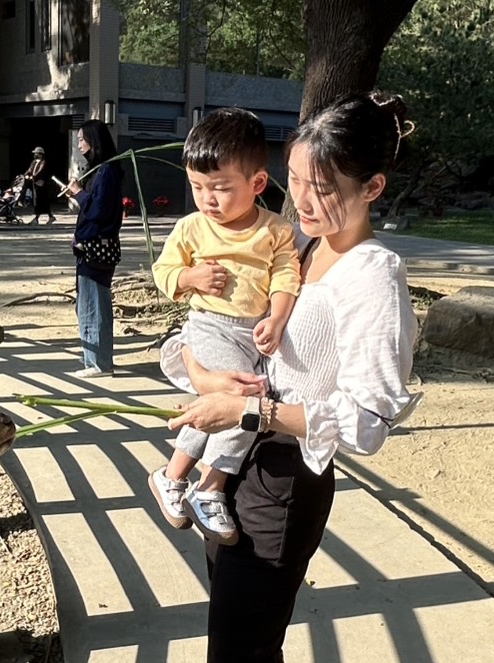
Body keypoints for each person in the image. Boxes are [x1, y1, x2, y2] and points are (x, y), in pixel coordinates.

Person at [164, 91, 418, 661]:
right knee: (237, 633)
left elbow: (368, 422)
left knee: (240, 647)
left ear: (372, 188)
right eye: (294, 178)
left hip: (282, 476)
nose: (300, 198)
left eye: (321, 187)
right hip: (231, 462)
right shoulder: (296, 241)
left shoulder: (374, 277)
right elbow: (214, 324)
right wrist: (204, 375)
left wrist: (251, 412)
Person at [149, 108, 300, 543]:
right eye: (197, 187)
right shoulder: (191, 228)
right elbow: (164, 272)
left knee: (220, 404)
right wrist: (190, 277)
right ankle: (210, 487)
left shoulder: (275, 230)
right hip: (210, 326)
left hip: (252, 333)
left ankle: (171, 475)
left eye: (219, 188)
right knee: (242, 402)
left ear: (256, 184)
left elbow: (287, 274)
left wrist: (277, 315)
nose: (207, 199)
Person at [65, 119, 124, 378]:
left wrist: (79, 193)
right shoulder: (100, 170)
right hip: (87, 248)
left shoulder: (108, 171)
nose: (79, 145)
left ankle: (99, 363)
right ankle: (92, 360)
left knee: (94, 304)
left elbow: (100, 210)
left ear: (94, 140)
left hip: (96, 249)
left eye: (81, 139)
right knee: (86, 303)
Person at [25, 146, 56, 225]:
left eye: (37, 154)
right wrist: (26, 175)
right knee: (38, 200)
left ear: (41, 154)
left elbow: (40, 171)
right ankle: (48, 216)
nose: (35, 155)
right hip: (35, 184)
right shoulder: (34, 162)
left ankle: (37, 218)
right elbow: (29, 170)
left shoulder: (43, 162)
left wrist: (33, 177)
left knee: (41, 200)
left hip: (42, 184)